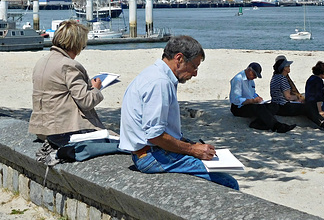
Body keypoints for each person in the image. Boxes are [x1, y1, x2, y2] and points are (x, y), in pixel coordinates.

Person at [119, 36, 239, 190]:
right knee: (229, 183)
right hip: (152, 156)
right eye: (194, 66)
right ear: (179, 59)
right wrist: (192, 150)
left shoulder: (153, 74)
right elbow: (155, 135)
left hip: (147, 152)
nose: (195, 73)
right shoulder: (160, 82)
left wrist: (192, 145)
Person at [28, 20, 105, 139]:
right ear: (75, 44)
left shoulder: (41, 62)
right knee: (116, 140)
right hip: (64, 130)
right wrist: (96, 88)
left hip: (41, 128)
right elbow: (86, 102)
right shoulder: (69, 65)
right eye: (82, 46)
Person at [229, 62, 296, 133]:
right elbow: (235, 99)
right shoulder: (238, 79)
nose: (255, 77)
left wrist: (258, 98)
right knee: (259, 108)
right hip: (239, 107)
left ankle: (258, 124)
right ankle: (278, 126)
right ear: (249, 71)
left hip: (251, 103)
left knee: (274, 106)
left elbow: (252, 93)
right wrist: (252, 101)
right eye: (254, 75)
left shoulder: (251, 80)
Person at [270, 58, 324, 129]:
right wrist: (297, 97)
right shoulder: (282, 79)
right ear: (284, 68)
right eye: (288, 66)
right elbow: (288, 97)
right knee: (307, 107)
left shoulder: (275, 77)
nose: (289, 67)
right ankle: (323, 124)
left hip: (275, 105)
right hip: (283, 106)